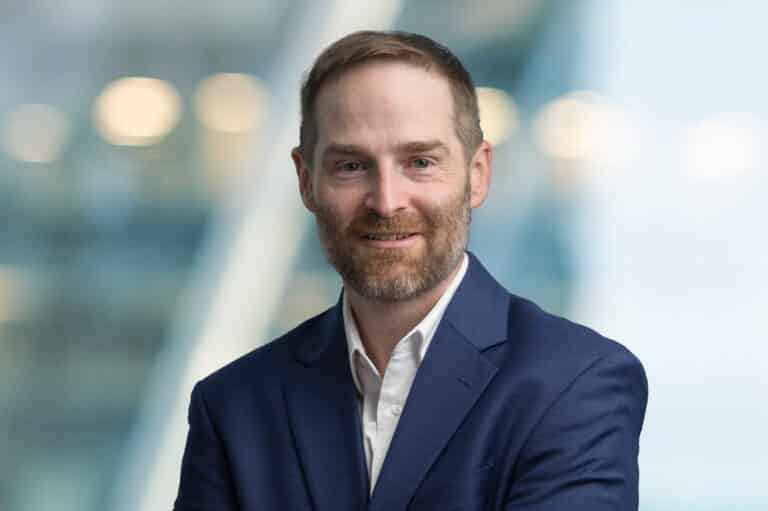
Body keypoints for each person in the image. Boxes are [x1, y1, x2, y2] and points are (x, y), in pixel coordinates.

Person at [174, 31, 648, 511]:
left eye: (420, 162)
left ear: (477, 173)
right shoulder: (233, 406)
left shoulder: (576, 382)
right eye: (351, 165)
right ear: (306, 180)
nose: (386, 201)